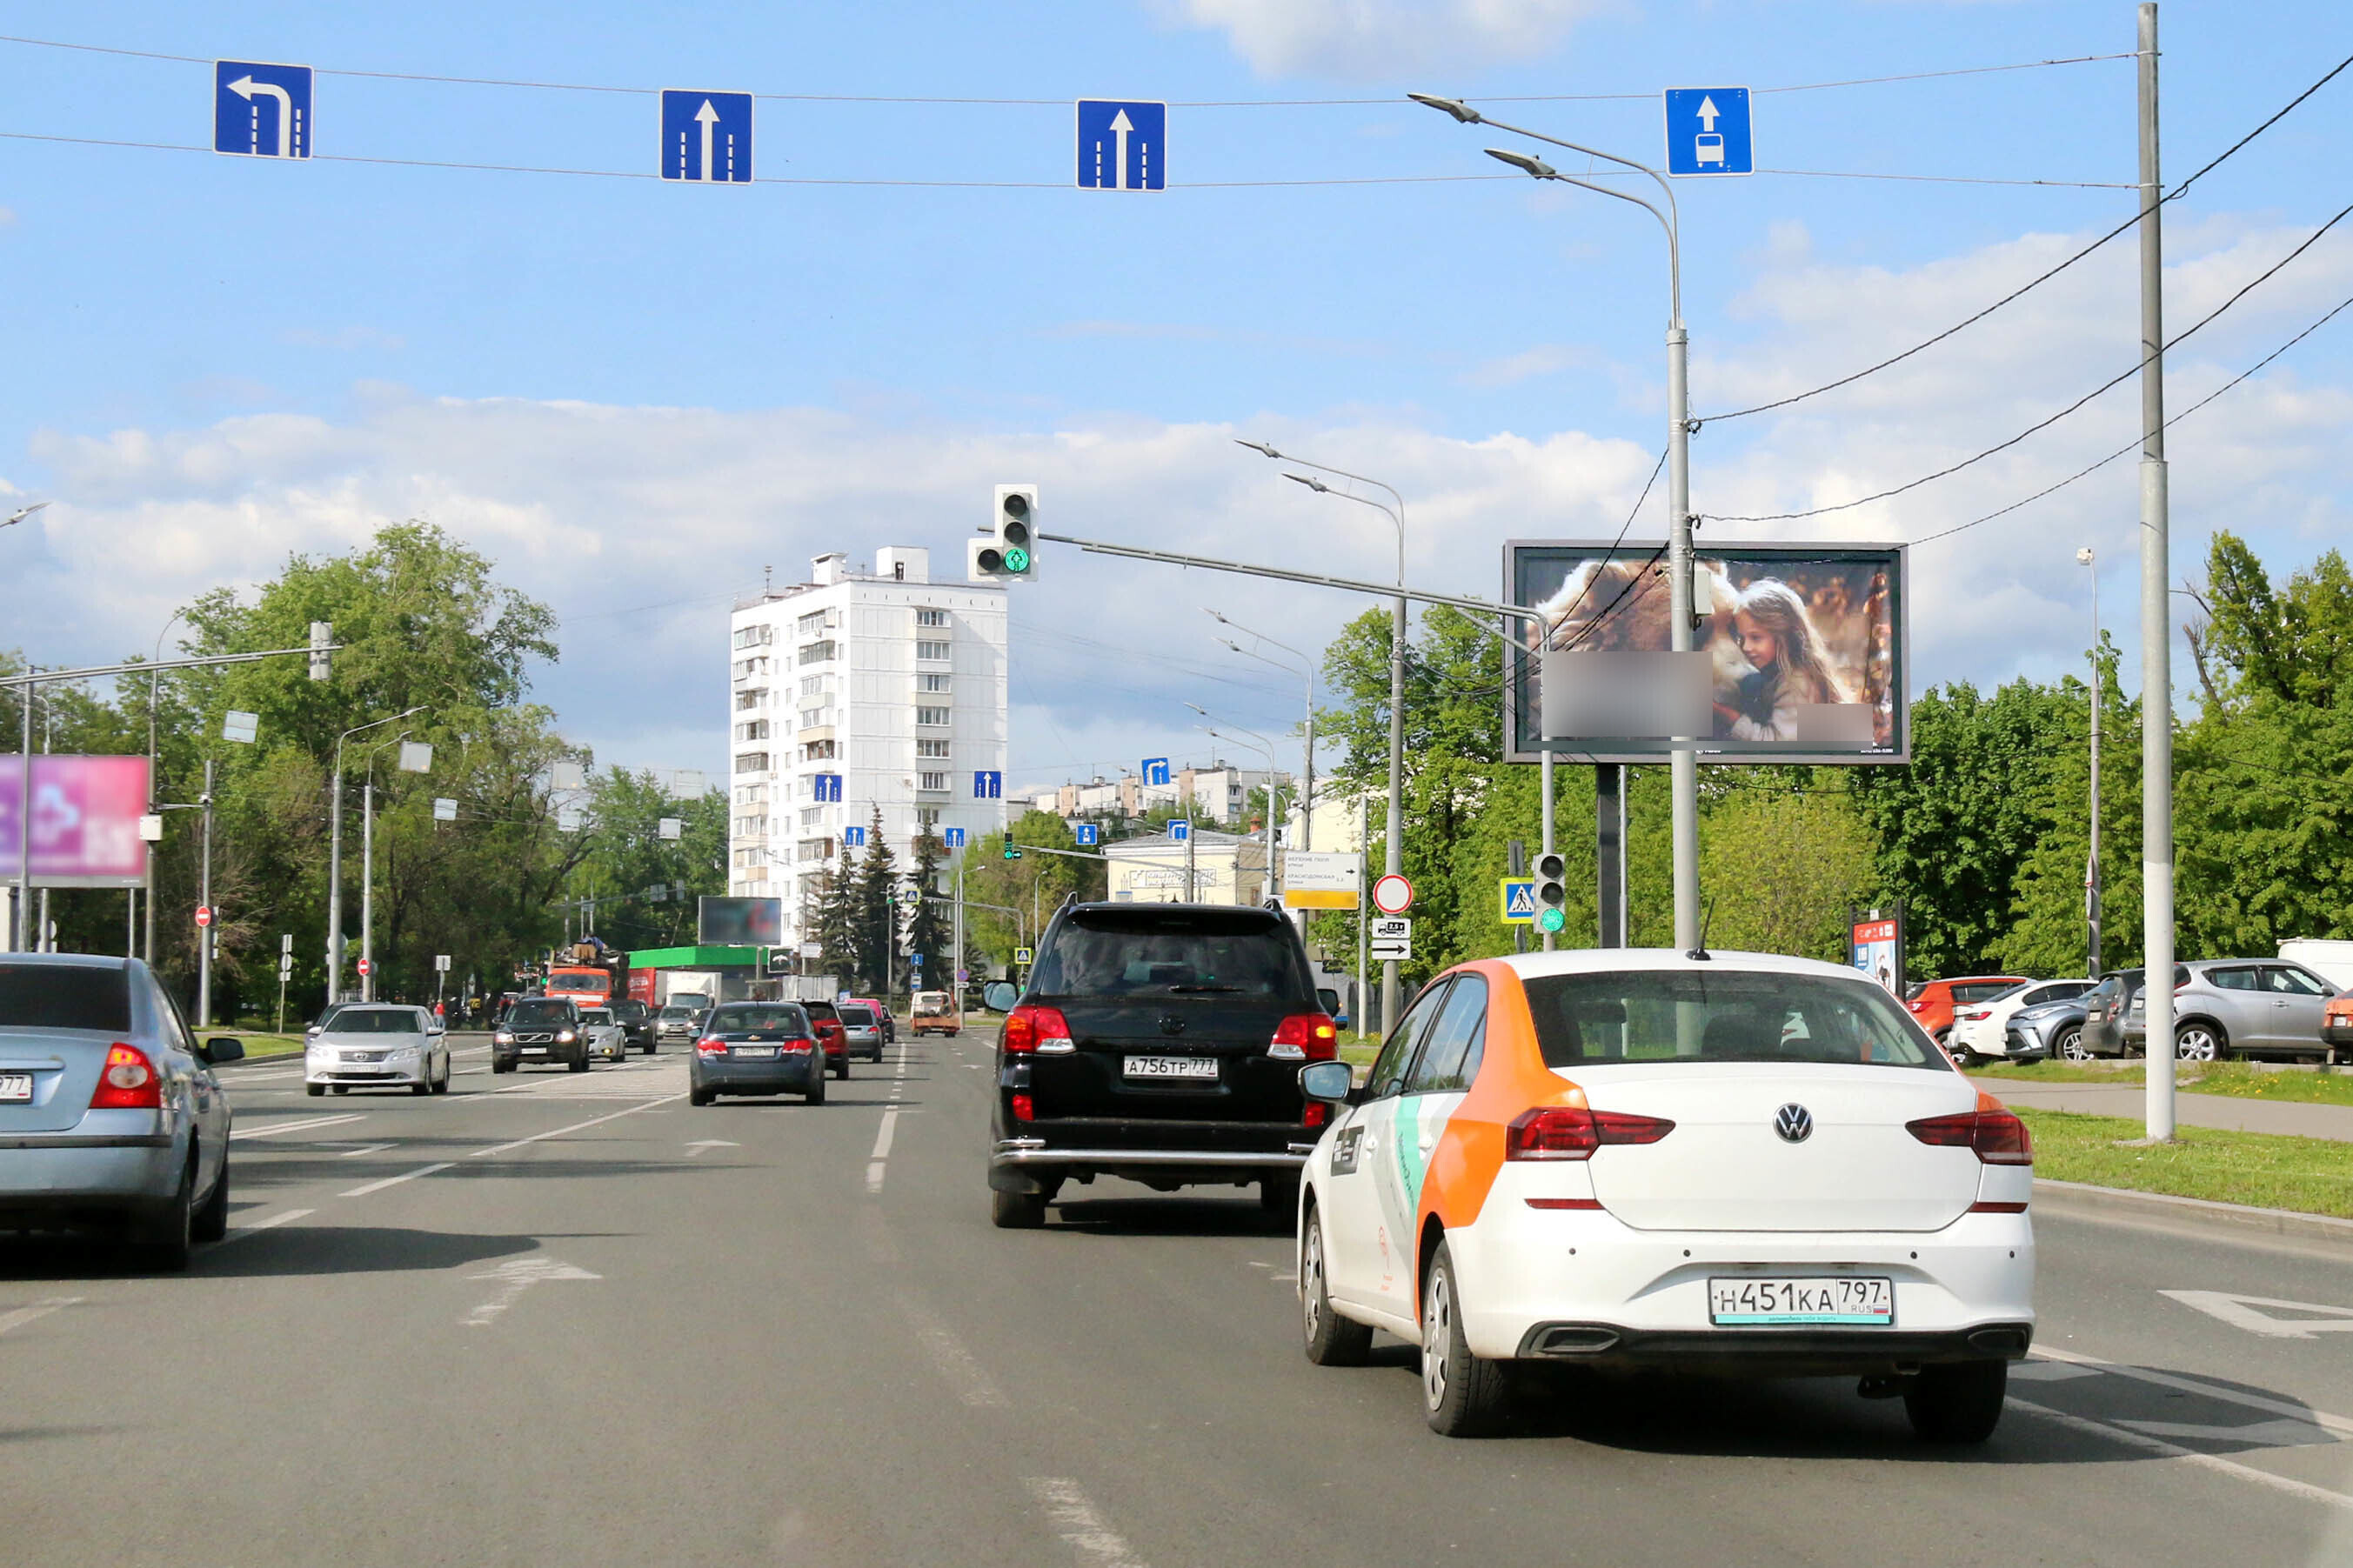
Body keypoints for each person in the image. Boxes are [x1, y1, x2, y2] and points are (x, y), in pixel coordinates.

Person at [1713, 579, 1853, 742]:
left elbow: (1777, 745)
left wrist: (1728, 715)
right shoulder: (1779, 673)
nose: (1746, 647)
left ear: (1784, 636)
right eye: (1741, 638)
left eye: (1756, 638)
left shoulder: (1796, 681)